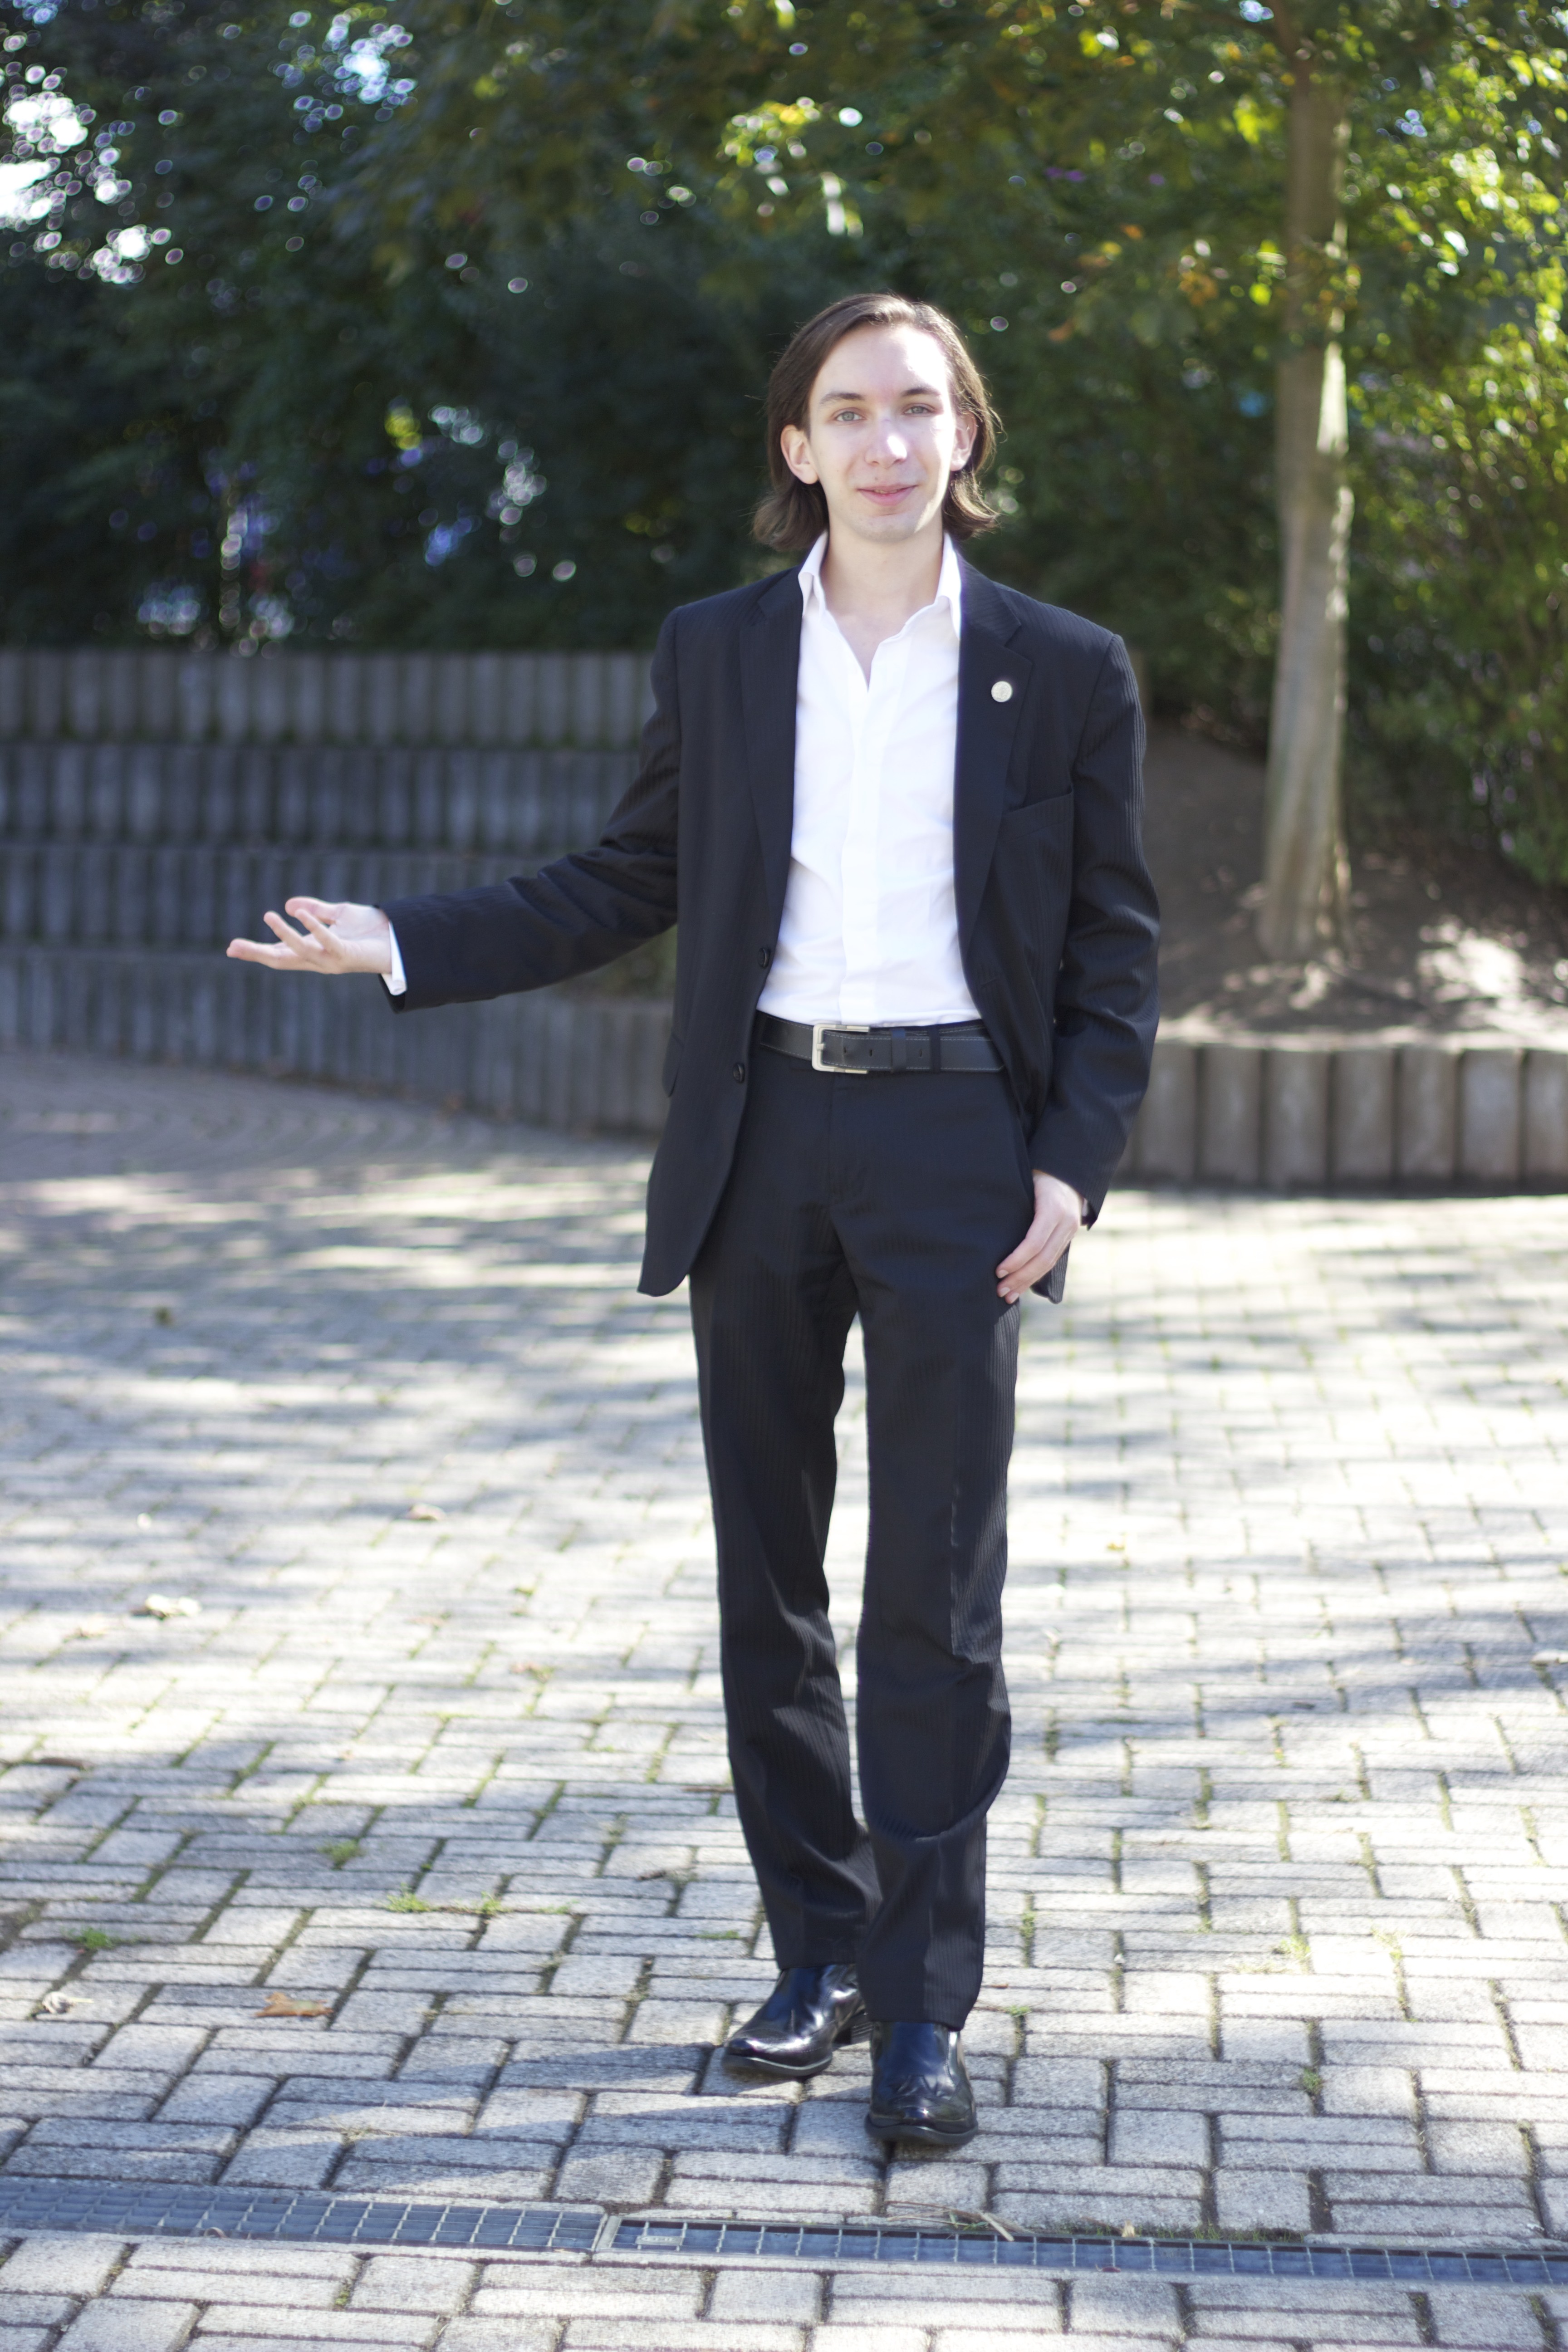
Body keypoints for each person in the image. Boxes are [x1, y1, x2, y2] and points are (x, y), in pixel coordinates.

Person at [228, 290, 1158, 2149]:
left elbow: (1114, 945)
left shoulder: (1062, 669)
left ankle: (922, 2006)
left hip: (962, 1146)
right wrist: (409, 941)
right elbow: (627, 876)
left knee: (938, 1590)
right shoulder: (722, 651)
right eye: (851, 411)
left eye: (921, 407)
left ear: (966, 435)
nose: (889, 441)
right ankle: (820, 1949)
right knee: (771, 1579)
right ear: (798, 447)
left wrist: (1072, 1164)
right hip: (763, 1138)